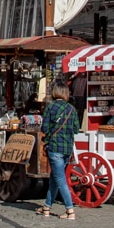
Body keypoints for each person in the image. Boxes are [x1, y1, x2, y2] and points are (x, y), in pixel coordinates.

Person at [37, 84, 78, 220]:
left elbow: (44, 127)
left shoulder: (51, 107)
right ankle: (47, 207)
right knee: (55, 178)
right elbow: (76, 129)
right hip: (67, 149)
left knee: (60, 179)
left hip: (54, 147)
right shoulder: (72, 109)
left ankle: (70, 210)